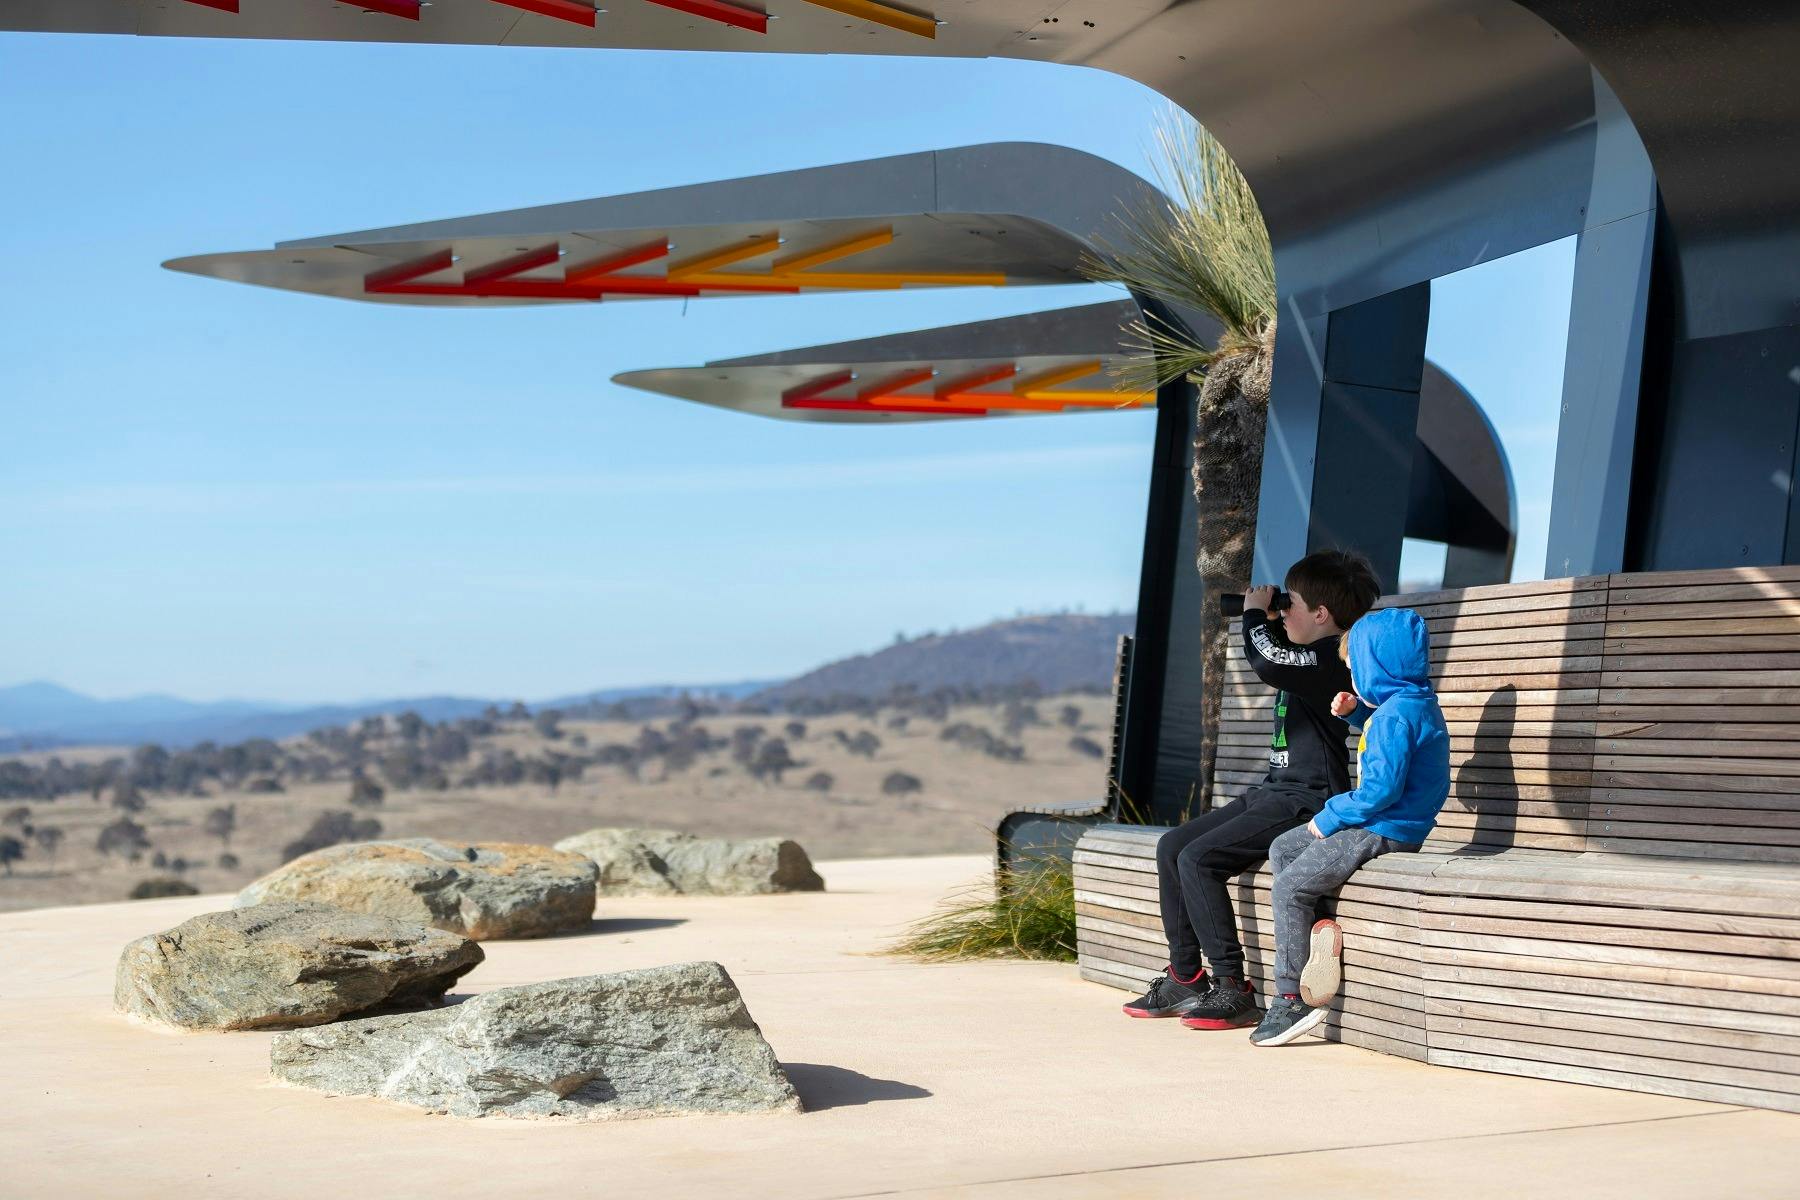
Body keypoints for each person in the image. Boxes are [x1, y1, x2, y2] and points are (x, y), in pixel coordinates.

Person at [1123, 550, 1380, 1028]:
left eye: (1293, 603)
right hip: (1275, 789)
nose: (1284, 610)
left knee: (1199, 859)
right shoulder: (1308, 649)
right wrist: (1270, 614)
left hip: (1308, 797)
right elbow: (1279, 650)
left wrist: (1253, 614)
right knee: (1171, 845)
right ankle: (1185, 976)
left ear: (1321, 615)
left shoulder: (1329, 657)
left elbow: (1269, 661)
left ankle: (1231, 987)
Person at [1248, 605, 1450, 1047]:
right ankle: (1318, 939)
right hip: (1384, 822)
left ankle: (1291, 999)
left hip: (1384, 828)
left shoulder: (1396, 717)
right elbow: (1395, 751)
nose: (1351, 677)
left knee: (1288, 888)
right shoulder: (1408, 705)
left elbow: (1380, 792)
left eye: (1354, 668)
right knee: (1284, 848)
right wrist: (1357, 716)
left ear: (1378, 666)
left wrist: (1330, 817)